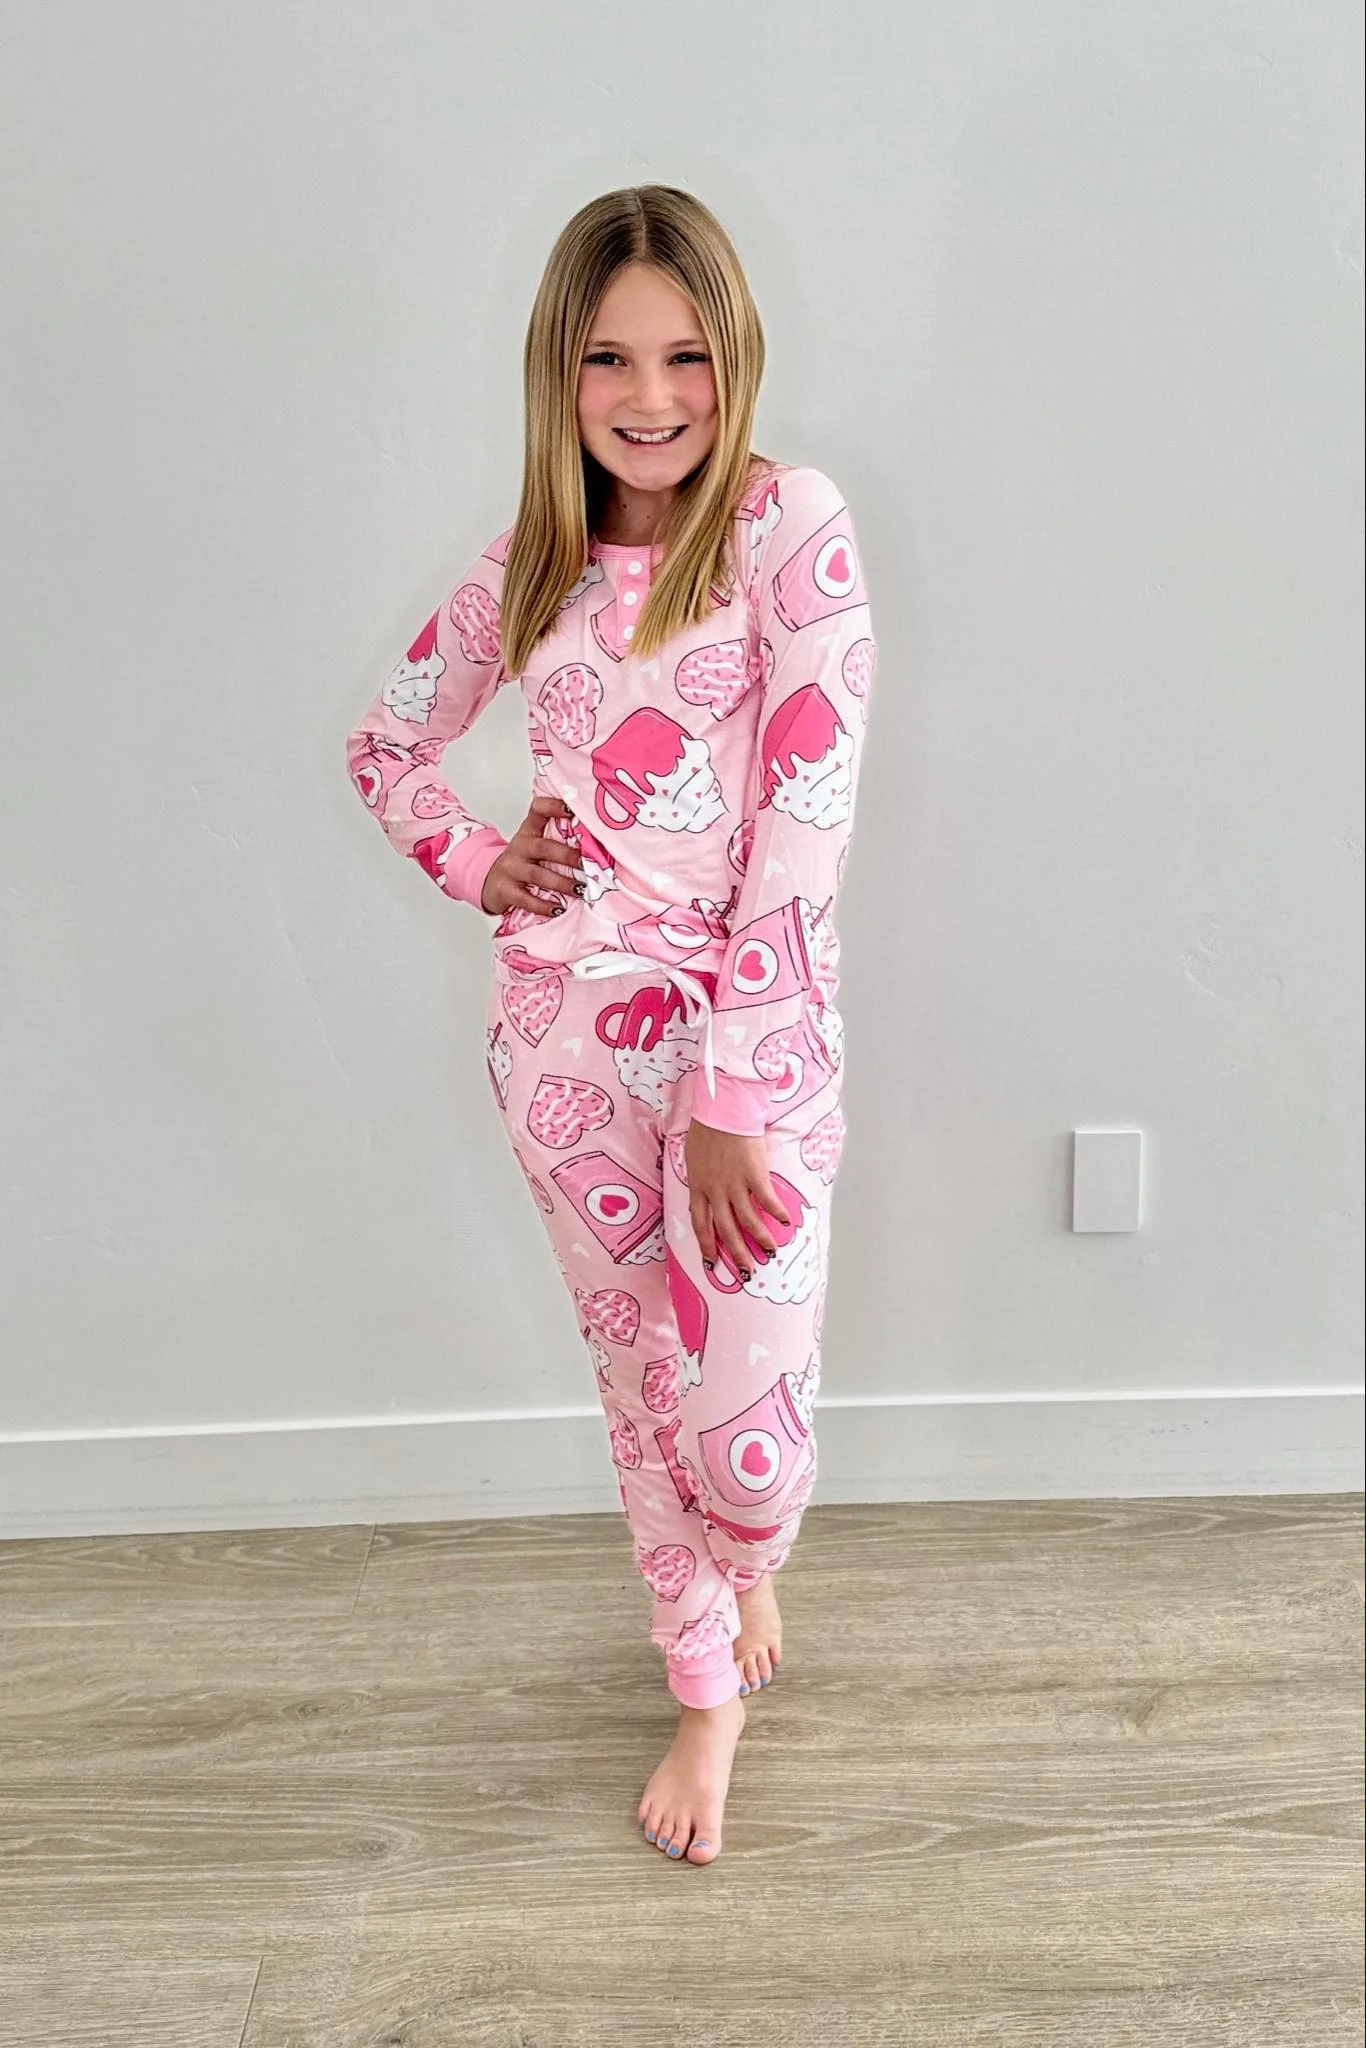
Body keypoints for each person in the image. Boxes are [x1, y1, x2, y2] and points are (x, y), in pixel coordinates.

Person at [344, 184, 876, 1866]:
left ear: (737, 359)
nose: (649, 397)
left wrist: (730, 1088)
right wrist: (476, 861)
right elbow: (385, 748)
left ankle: (746, 1555)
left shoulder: (788, 529)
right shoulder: (533, 564)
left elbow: (803, 828)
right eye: (606, 359)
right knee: (646, 1387)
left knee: (747, 1458)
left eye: (685, 356)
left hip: (750, 1058)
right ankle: (703, 1688)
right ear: (555, 373)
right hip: (560, 1044)